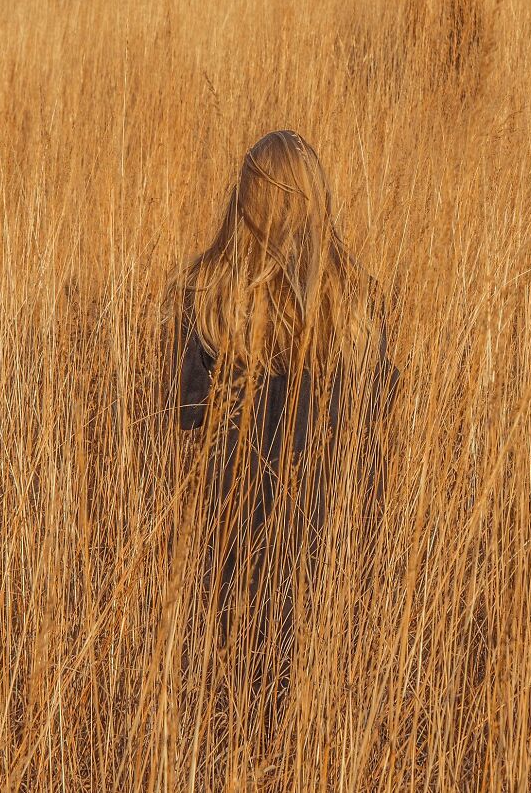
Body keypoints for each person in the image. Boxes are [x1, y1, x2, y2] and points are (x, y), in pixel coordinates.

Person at [165, 129, 399, 731]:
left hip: (231, 550)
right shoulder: (355, 307)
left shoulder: (210, 304)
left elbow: (186, 418)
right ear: (317, 203)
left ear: (243, 207)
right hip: (331, 544)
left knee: (234, 711)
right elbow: (380, 413)